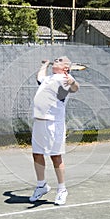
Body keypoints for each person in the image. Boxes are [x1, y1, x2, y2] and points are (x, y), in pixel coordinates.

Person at [29, 56, 79, 205]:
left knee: (55, 157)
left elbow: (75, 88)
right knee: (37, 154)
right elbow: (39, 78)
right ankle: (41, 185)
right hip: (39, 121)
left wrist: (73, 82)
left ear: (65, 67)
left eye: (59, 60)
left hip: (53, 124)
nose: (55, 61)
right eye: (55, 60)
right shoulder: (49, 79)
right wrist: (44, 65)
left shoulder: (65, 79)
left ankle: (62, 189)